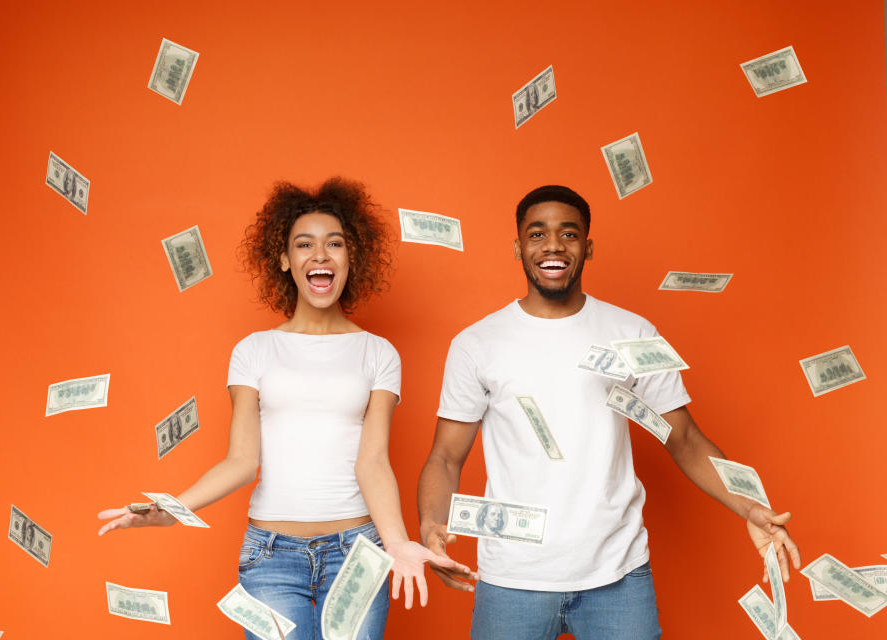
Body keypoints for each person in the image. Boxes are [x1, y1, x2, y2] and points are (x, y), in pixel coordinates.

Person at [417, 185, 800, 640]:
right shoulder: (476, 344)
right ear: (518, 247)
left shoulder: (633, 332)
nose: (553, 245)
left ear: (588, 247)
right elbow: (445, 456)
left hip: (618, 576)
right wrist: (430, 526)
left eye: (569, 234)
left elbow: (685, 439)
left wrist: (750, 508)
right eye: (537, 234)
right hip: (513, 579)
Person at [98, 177, 468, 640]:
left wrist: (396, 543)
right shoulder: (253, 351)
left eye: (334, 243)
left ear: (351, 257)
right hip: (269, 557)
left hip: (357, 552)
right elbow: (241, 461)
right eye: (304, 244)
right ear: (284, 260)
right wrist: (173, 509)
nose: (320, 254)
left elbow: (372, 461)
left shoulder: (379, 353)